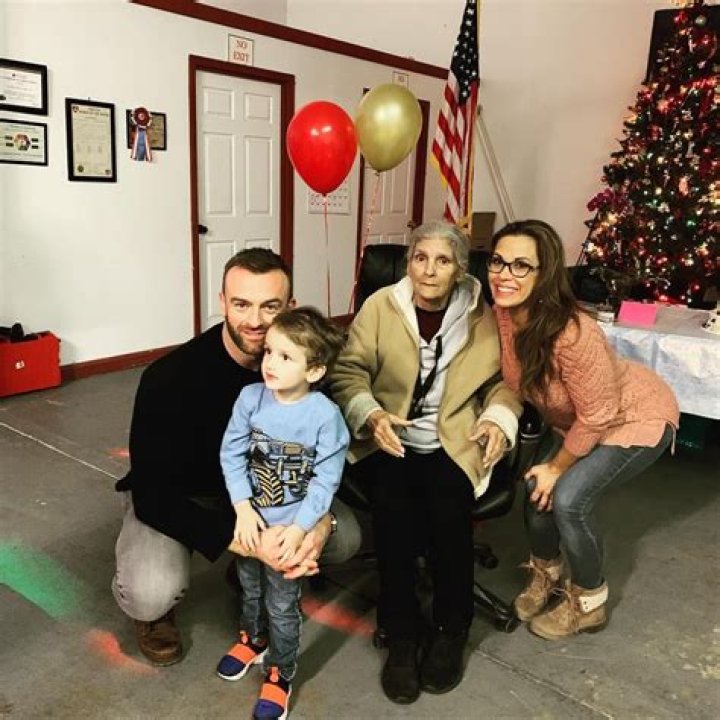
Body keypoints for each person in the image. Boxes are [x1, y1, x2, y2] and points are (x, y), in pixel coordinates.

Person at [112, 249, 361, 666]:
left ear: (291, 307)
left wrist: (318, 524)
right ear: (222, 302)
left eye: (271, 306)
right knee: (151, 591)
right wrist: (250, 541)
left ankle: (248, 568)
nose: (255, 321)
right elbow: (153, 495)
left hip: (272, 492)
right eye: (241, 304)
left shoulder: (309, 372)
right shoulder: (169, 378)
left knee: (345, 535)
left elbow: (325, 461)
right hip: (186, 495)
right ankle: (163, 610)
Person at [329, 220, 521, 704]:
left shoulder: (483, 315)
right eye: (420, 258)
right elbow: (349, 371)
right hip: (389, 437)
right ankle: (401, 633)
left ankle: (452, 628)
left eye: (442, 260)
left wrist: (499, 418)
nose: (429, 270)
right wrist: (370, 414)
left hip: (453, 438)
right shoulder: (380, 306)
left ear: (460, 269)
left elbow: (504, 382)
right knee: (392, 514)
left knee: (448, 512)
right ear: (408, 264)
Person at [487, 219, 679, 640]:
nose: (504, 274)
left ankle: (588, 601)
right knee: (536, 490)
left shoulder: (573, 333)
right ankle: (546, 573)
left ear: (545, 274)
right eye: (498, 261)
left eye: (521, 265)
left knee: (569, 499)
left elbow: (598, 413)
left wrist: (558, 466)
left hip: (632, 416)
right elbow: (518, 380)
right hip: (578, 418)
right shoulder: (505, 312)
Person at [216, 306, 349, 720]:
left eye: (286, 356)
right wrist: (242, 508)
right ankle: (253, 639)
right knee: (249, 588)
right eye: (270, 352)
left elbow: (326, 480)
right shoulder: (250, 398)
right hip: (251, 524)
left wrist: (300, 528)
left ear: (315, 370)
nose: (270, 363)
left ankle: (280, 671)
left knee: (282, 605)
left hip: (289, 531)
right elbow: (231, 453)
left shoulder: (325, 416)